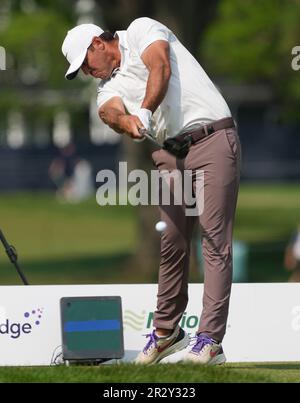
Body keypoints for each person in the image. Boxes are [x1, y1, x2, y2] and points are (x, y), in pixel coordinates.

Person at [62, 17, 241, 365]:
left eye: (85, 63)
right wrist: (126, 121)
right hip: (172, 153)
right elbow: (109, 111)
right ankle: (166, 332)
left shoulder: (141, 30)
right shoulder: (106, 86)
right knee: (173, 240)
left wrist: (143, 111)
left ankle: (209, 340)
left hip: (212, 138)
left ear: (99, 43)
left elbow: (159, 65)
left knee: (215, 240)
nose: (86, 72)